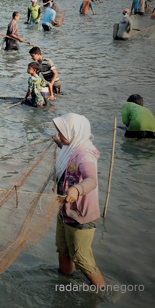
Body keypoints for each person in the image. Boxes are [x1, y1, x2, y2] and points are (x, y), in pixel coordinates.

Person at [52, 113, 106, 289]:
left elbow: (91, 180)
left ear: (74, 132)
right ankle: (64, 284)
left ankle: (102, 292)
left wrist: (76, 189)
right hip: (65, 212)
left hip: (81, 216)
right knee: (63, 250)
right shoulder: (71, 147)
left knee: (81, 258)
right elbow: (65, 147)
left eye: (62, 132)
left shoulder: (84, 153)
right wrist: (59, 141)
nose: (60, 135)